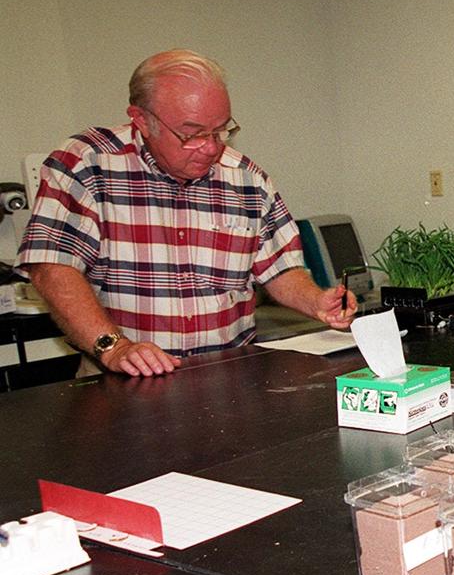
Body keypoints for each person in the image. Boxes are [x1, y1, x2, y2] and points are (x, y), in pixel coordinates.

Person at [17, 49, 354, 377]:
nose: (211, 147)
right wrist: (115, 347)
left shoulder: (248, 180)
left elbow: (278, 268)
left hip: (227, 377)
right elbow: (52, 266)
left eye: (220, 130)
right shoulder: (87, 165)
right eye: (192, 134)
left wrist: (316, 301)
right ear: (142, 120)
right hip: (121, 380)